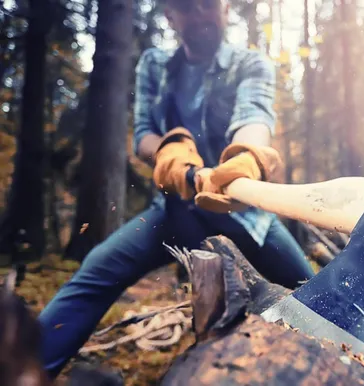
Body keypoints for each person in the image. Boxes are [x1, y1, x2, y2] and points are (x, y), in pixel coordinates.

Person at [37, 0, 315, 379]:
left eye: (207, 5)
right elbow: (143, 135)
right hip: (170, 211)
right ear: (170, 15)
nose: (199, 15)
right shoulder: (155, 64)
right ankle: (24, 368)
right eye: (187, 7)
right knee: (97, 270)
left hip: (246, 217)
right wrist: (170, 155)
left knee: (314, 295)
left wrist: (246, 159)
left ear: (225, 8)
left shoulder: (250, 64)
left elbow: (254, 117)